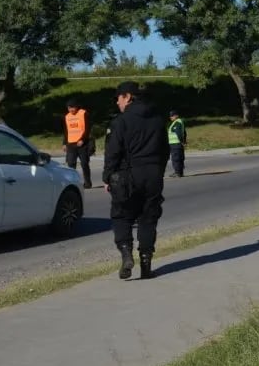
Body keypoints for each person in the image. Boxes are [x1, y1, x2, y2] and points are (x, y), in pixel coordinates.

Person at [103, 82, 170, 280]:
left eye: (118, 98)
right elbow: (164, 150)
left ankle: (126, 253)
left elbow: (113, 152)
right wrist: (158, 171)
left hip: (127, 175)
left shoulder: (121, 121)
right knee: (148, 218)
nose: (117, 102)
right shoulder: (158, 119)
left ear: (128, 97)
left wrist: (107, 176)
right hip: (152, 174)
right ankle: (146, 263)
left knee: (121, 215)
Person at [62, 98, 93, 189]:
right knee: (71, 164)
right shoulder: (67, 116)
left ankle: (88, 183)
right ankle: (73, 183)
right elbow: (66, 131)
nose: (71, 110)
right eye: (69, 108)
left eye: (72, 108)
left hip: (82, 143)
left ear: (77, 107)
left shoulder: (83, 113)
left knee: (84, 163)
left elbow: (87, 128)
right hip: (71, 143)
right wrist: (64, 143)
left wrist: (82, 139)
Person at [167, 110, 187, 178]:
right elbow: (184, 132)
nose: (171, 117)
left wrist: (182, 141)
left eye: (172, 116)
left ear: (176, 115)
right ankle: (180, 172)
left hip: (175, 144)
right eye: (170, 116)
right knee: (180, 158)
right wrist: (184, 141)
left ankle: (177, 172)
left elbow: (179, 133)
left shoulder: (177, 123)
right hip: (177, 144)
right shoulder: (178, 122)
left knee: (176, 158)